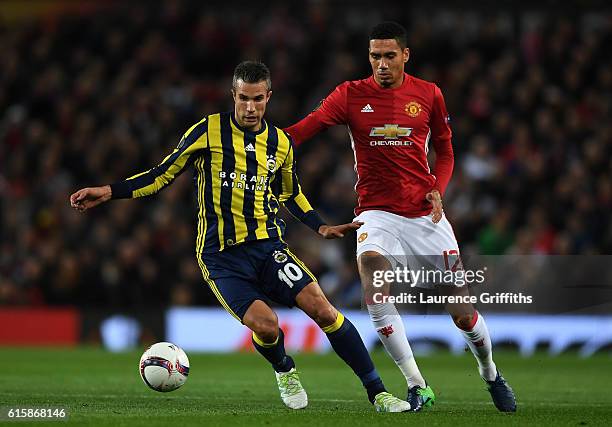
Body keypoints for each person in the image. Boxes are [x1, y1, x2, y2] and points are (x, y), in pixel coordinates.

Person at [70, 61, 410, 413]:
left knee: (324, 310)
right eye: (244, 99)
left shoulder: (280, 143)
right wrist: (110, 191)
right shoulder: (207, 131)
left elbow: (290, 192)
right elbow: (161, 175)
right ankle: (284, 368)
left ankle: (379, 393)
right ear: (233, 95)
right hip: (221, 256)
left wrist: (319, 225)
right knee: (266, 324)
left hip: (268, 247)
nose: (251, 107)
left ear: (268, 97)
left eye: (258, 99)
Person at [284, 23, 516, 412]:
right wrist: (252, 140)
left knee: (461, 312)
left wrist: (437, 188)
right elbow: (298, 132)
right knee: (374, 284)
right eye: (375, 56)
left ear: (405, 55)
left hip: (426, 216)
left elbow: (445, 151)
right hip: (376, 214)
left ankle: (490, 373)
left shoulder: (428, 94)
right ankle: (417, 384)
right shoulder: (350, 95)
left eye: (389, 55)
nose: (381, 63)